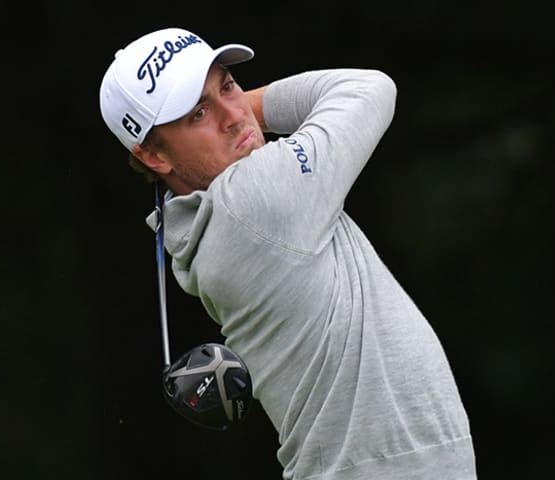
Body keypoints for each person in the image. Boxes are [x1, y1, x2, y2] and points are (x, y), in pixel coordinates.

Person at [99, 27, 478, 479]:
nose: (233, 115)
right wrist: (249, 110)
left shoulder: (214, 218)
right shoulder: (252, 202)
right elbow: (370, 89)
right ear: (155, 158)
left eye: (229, 86)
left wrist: (226, 114)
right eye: (199, 113)